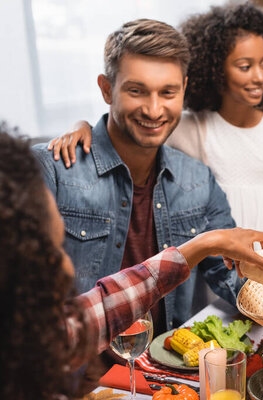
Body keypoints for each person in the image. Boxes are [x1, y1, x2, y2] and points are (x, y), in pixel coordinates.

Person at [0, 125, 263, 398]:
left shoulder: (36, 338)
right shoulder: (61, 168)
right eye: (52, 252)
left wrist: (207, 246)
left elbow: (101, 308)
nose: (68, 266)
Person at [31, 19, 242, 334]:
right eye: (137, 91)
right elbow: (25, 303)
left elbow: (229, 276)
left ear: (183, 89)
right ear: (106, 89)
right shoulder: (54, 170)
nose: (154, 110)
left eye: (167, 92)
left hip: (166, 374)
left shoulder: (198, 179)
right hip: (82, 375)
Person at [47, 3, 263, 250]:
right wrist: (82, 127)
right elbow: (127, 138)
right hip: (208, 269)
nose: (259, 76)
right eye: (245, 66)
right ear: (216, 69)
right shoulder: (186, 129)